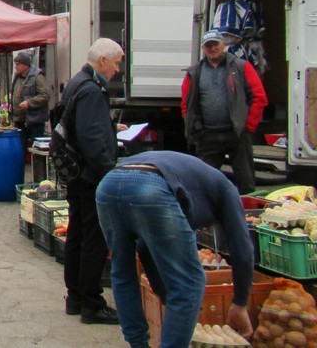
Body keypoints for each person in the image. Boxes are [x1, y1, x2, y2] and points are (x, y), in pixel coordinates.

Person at [96, 150, 254, 348]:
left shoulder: (200, 181)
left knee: (122, 272)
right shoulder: (227, 190)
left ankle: (138, 345)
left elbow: (148, 249)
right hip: (151, 184)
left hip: (109, 184)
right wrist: (240, 303)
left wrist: (167, 298)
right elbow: (243, 249)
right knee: (191, 282)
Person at [60, 38, 126, 325]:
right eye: (116, 62)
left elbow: (82, 126)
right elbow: (90, 138)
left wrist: (110, 127)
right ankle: (91, 303)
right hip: (90, 176)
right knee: (93, 238)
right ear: (102, 61)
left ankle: (75, 296)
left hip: (77, 174)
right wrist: (109, 170)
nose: (117, 69)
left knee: (77, 233)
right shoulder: (91, 89)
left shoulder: (77, 83)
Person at [180, 29, 267, 194]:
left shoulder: (242, 67)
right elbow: (186, 104)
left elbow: (259, 97)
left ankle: (248, 214)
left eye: (216, 44)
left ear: (224, 45)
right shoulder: (194, 72)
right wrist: (195, 127)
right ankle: (206, 217)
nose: (213, 48)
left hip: (237, 134)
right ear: (203, 49)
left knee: (246, 183)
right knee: (203, 183)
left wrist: (248, 127)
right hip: (207, 136)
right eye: (208, 45)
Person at [9, 52, 50, 149]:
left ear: (26, 65)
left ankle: (37, 164)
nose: (16, 67)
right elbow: (15, 93)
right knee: (19, 147)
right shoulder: (17, 77)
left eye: (18, 64)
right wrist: (11, 105)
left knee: (36, 147)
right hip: (19, 120)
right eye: (15, 64)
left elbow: (45, 95)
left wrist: (29, 102)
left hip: (34, 121)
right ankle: (20, 164)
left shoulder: (37, 76)